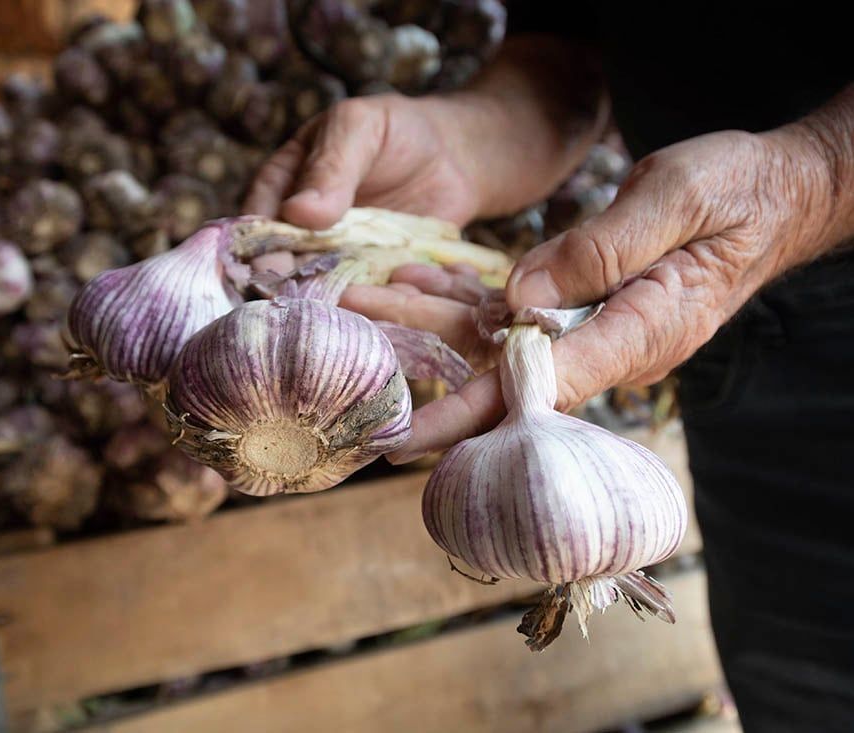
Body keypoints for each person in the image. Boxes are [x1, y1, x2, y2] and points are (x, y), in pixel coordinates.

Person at [243, 2, 854, 731]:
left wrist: (820, 175)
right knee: (795, 686)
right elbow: (569, 46)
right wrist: (464, 137)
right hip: (734, 330)